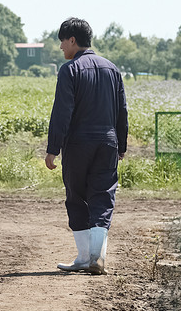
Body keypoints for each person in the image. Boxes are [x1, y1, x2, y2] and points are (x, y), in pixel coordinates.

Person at [45, 17, 128, 275]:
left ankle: (83, 257)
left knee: (77, 196)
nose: (60, 47)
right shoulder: (112, 69)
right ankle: (97, 257)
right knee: (103, 196)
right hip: (107, 143)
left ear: (72, 40)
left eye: (62, 41)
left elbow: (62, 113)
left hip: (79, 143)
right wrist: (121, 145)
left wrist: (52, 148)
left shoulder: (69, 70)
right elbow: (122, 111)